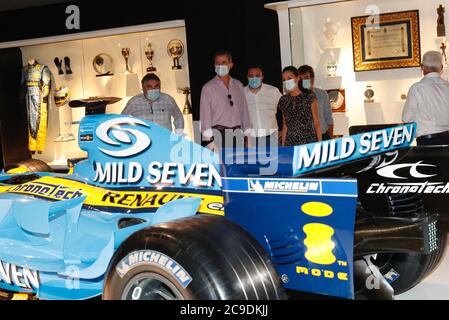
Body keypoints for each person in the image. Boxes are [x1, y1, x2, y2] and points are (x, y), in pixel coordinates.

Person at [200, 50, 251, 151]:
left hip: (238, 134)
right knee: (222, 166)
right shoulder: (208, 88)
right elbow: (205, 116)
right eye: (217, 63)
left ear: (231, 64)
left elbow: (245, 112)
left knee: (238, 166)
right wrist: (209, 142)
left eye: (223, 62)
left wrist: (248, 137)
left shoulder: (239, 85)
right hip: (218, 135)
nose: (220, 65)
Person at [403, 51, 449, 146]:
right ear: (441, 68)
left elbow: (406, 118)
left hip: (428, 142)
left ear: (422, 67)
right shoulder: (447, 86)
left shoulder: (416, 88)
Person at [278, 66, 322, 147]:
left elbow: (317, 123)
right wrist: (283, 145)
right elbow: (285, 125)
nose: (286, 81)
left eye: (289, 78)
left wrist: (320, 145)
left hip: (308, 142)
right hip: (290, 143)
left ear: (297, 78)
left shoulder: (309, 96)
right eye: (284, 79)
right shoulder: (283, 100)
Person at [244, 66, 282, 148]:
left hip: (272, 139)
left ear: (262, 77)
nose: (254, 78)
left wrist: (283, 131)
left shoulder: (273, 91)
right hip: (251, 141)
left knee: (276, 161)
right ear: (247, 77)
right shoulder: (241, 94)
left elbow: (286, 111)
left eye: (257, 76)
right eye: (251, 76)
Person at [298, 65, 334, 140]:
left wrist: (330, 136)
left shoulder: (322, 94)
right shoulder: (296, 97)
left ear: (312, 79)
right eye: (301, 78)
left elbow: (329, 118)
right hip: (304, 139)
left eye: (306, 78)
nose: (303, 81)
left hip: (323, 136)